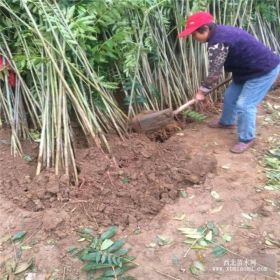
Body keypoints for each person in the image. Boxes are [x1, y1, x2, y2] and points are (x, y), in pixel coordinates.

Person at [178, 12, 280, 153]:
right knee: (230, 96)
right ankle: (227, 122)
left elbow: (214, 73)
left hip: (262, 71)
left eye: (194, 34)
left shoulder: (218, 42)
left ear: (206, 29)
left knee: (245, 105)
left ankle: (247, 138)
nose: (194, 38)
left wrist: (201, 92)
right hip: (246, 70)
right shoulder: (220, 32)